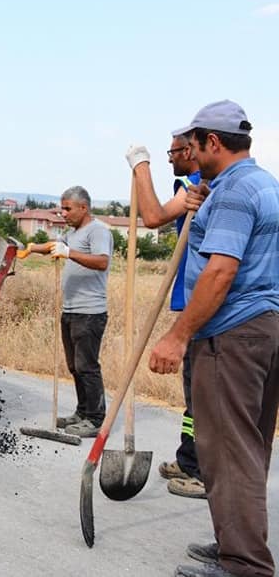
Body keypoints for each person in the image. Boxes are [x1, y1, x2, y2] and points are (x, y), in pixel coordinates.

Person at [148, 100, 279, 577]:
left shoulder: (234, 194)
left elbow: (221, 271)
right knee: (249, 449)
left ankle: (244, 565)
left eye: (194, 144)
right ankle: (235, 544)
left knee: (228, 452)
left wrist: (177, 336)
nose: (188, 152)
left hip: (231, 334)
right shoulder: (263, 183)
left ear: (214, 142)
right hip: (264, 327)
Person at [125, 136, 205, 499]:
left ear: (189, 152)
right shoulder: (199, 185)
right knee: (193, 391)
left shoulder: (196, 183)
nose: (170, 159)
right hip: (196, 301)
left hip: (206, 302)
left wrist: (141, 167)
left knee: (204, 392)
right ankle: (190, 459)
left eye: (172, 153)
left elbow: (154, 216)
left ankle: (204, 469)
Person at [30, 186, 113, 437]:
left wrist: (69, 253)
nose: (63, 213)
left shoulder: (98, 230)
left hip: (90, 312)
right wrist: (32, 248)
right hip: (71, 310)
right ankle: (82, 411)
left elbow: (102, 261)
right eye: (61, 208)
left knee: (87, 365)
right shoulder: (72, 232)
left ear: (83, 208)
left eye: (67, 208)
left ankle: (96, 419)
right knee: (74, 366)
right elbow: (54, 245)